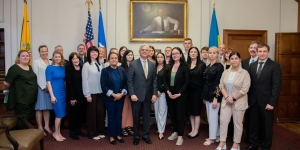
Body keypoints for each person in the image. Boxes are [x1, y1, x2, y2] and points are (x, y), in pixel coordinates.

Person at [243, 44, 282, 150]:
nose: (262, 53)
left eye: (264, 51)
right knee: (253, 125)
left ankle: (266, 146)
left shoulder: (274, 66)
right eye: (260, 51)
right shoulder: (252, 65)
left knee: (266, 126)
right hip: (253, 101)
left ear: (268, 52)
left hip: (267, 102)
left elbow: (276, 86)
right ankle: (253, 144)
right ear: (257, 52)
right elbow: (249, 84)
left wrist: (272, 102)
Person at [216, 52, 251, 150]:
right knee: (223, 122)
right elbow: (221, 86)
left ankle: (236, 144)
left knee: (237, 123)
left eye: (236, 58)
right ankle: (222, 142)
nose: (234, 60)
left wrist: (234, 98)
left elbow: (245, 89)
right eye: (232, 59)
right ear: (229, 60)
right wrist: (227, 97)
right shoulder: (225, 72)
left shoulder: (245, 73)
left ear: (240, 60)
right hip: (226, 101)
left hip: (239, 102)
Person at [127, 44, 157, 145]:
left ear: (149, 52)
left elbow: (154, 81)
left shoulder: (152, 64)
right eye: (142, 50)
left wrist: (154, 94)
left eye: (146, 50)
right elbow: (130, 80)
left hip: (148, 96)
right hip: (136, 96)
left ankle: (145, 135)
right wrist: (132, 94)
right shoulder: (133, 64)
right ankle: (136, 136)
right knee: (136, 117)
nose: (144, 51)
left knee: (146, 117)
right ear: (139, 52)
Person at [4, 50, 38, 129]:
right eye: (23, 56)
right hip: (21, 99)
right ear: (19, 58)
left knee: (29, 119)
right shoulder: (15, 68)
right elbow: (6, 83)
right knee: (23, 120)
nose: (25, 57)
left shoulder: (29, 67)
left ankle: (29, 138)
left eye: (27, 56)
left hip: (31, 98)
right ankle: (22, 139)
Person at [164, 47, 189, 146]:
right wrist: (168, 91)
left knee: (180, 115)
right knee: (173, 114)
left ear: (181, 55)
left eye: (177, 53)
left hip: (180, 94)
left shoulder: (185, 67)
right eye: (173, 54)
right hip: (170, 93)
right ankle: (175, 132)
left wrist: (180, 93)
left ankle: (180, 136)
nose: (174, 55)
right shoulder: (168, 66)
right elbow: (164, 81)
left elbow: (187, 83)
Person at [101, 52, 127, 145]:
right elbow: (103, 86)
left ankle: (118, 134)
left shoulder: (122, 70)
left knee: (118, 116)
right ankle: (112, 136)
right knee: (111, 117)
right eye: (112, 58)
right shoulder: (105, 71)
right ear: (109, 60)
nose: (114, 60)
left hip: (120, 97)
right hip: (110, 99)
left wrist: (121, 94)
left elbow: (125, 83)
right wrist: (114, 95)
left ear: (118, 59)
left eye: (115, 58)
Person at [202, 46, 224, 146]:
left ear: (217, 54)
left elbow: (219, 83)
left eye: (214, 53)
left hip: (214, 95)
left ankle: (212, 138)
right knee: (210, 117)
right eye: (210, 53)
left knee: (213, 118)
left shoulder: (220, 66)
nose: (211, 54)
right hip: (207, 93)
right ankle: (217, 135)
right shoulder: (208, 66)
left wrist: (216, 98)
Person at [82, 46, 105, 140]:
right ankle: (92, 133)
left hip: (100, 92)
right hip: (91, 93)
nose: (95, 54)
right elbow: (85, 80)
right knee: (92, 114)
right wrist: (87, 94)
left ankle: (99, 131)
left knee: (100, 113)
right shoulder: (86, 65)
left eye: (96, 52)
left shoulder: (99, 64)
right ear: (89, 54)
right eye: (92, 52)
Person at [65, 52, 87, 140]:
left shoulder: (82, 68)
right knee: (74, 114)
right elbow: (69, 84)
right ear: (71, 60)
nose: (75, 60)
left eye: (77, 58)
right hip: (73, 95)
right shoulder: (69, 69)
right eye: (73, 58)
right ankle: (72, 131)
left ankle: (78, 130)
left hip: (81, 95)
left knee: (80, 113)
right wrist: (72, 98)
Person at [32, 45, 53, 135]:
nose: (44, 53)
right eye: (42, 51)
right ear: (39, 52)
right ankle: (40, 127)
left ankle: (47, 126)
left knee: (47, 108)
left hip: (50, 88)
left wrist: (49, 87)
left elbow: (52, 75)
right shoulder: (36, 62)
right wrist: (43, 86)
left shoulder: (51, 62)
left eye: (46, 51)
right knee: (39, 108)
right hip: (41, 88)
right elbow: (35, 76)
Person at [46, 50, 66, 141]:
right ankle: (55, 133)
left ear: (61, 58)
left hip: (63, 92)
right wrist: (52, 96)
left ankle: (58, 132)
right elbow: (48, 83)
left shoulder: (62, 67)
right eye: (56, 56)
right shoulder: (49, 68)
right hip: (55, 92)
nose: (57, 58)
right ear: (53, 57)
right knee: (59, 114)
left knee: (61, 115)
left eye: (59, 57)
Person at [186, 47, 206, 139]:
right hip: (188, 91)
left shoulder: (202, 65)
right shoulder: (186, 64)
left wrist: (203, 94)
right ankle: (192, 130)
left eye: (195, 52)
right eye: (191, 52)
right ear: (189, 54)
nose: (193, 53)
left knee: (196, 112)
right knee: (191, 112)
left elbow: (204, 80)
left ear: (198, 54)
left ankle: (196, 131)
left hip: (198, 91)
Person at [241, 41, 259, 143]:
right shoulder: (244, 62)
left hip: (257, 96)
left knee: (257, 119)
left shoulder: (262, 61)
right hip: (245, 95)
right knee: (247, 118)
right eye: (251, 47)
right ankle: (249, 137)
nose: (253, 49)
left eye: (255, 48)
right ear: (248, 50)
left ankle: (258, 139)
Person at [120, 50, 135, 137]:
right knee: (124, 111)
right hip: (125, 92)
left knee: (130, 111)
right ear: (125, 56)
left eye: (131, 55)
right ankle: (123, 127)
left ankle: (128, 126)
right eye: (128, 55)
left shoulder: (135, 66)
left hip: (133, 93)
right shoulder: (122, 68)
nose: (130, 56)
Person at [154, 52, 168, 140]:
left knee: (162, 112)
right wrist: (155, 91)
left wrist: (160, 90)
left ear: (164, 58)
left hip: (163, 93)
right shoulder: (153, 68)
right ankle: (159, 128)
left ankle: (161, 131)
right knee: (156, 111)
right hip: (154, 93)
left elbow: (167, 82)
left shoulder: (167, 68)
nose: (159, 58)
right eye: (158, 57)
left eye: (161, 57)